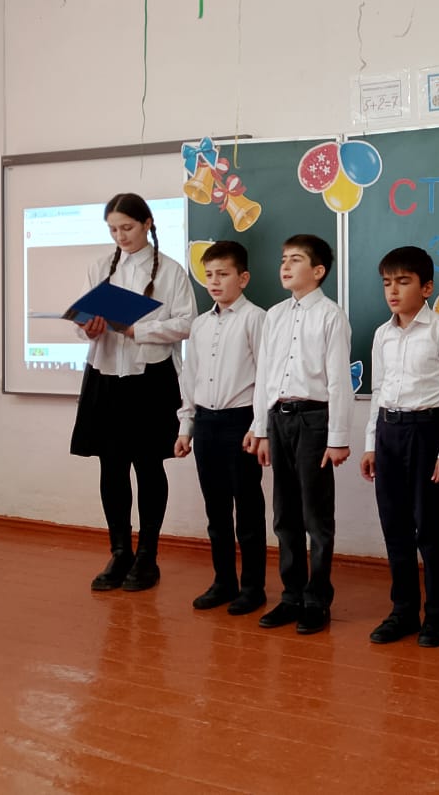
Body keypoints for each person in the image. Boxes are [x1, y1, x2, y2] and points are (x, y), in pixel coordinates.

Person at [71, 193, 196, 593]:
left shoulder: (171, 271)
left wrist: (137, 329)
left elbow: (187, 323)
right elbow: (83, 321)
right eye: (113, 230)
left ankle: (147, 556)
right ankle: (119, 552)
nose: (120, 236)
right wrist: (88, 328)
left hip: (151, 378)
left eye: (126, 227)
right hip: (106, 374)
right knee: (111, 467)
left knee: (148, 466)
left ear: (147, 224)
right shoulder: (99, 267)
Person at [360, 247, 439, 648]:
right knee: (395, 527)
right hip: (389, 432)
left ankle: (438, 616)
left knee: (430, 529)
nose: (393, 291)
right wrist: (371, 443)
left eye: (403, 282)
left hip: (427, 432)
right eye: (387, 283)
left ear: (427, 287)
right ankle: (403, 611)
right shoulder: (381, 334)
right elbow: (378, 390)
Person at [252, 234, 352, 635]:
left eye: (295, 260)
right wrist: (260, 429)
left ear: (318, 270)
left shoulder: (331, 315)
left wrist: (338, 437)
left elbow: (339, 380)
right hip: (279, 419)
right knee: (284, 514)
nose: (285, 266)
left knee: (316, 515)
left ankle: (317, 599)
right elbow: (264, 375)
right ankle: (291, 595)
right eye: (283, 259)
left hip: (314, 420)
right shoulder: (274, 315)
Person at [174, 241, 268, 616]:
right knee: (216, 510)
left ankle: (253, 587)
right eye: (209, 275)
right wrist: (186, 427)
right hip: (206, 424)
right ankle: (223, 581)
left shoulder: (256, 319)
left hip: (240, 422)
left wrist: (259, 426)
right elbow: (190, 377)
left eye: (223, 274)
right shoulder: (199, 324)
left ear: (242, 278)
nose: (214, 281)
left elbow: (266, 378)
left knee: (247, 509)